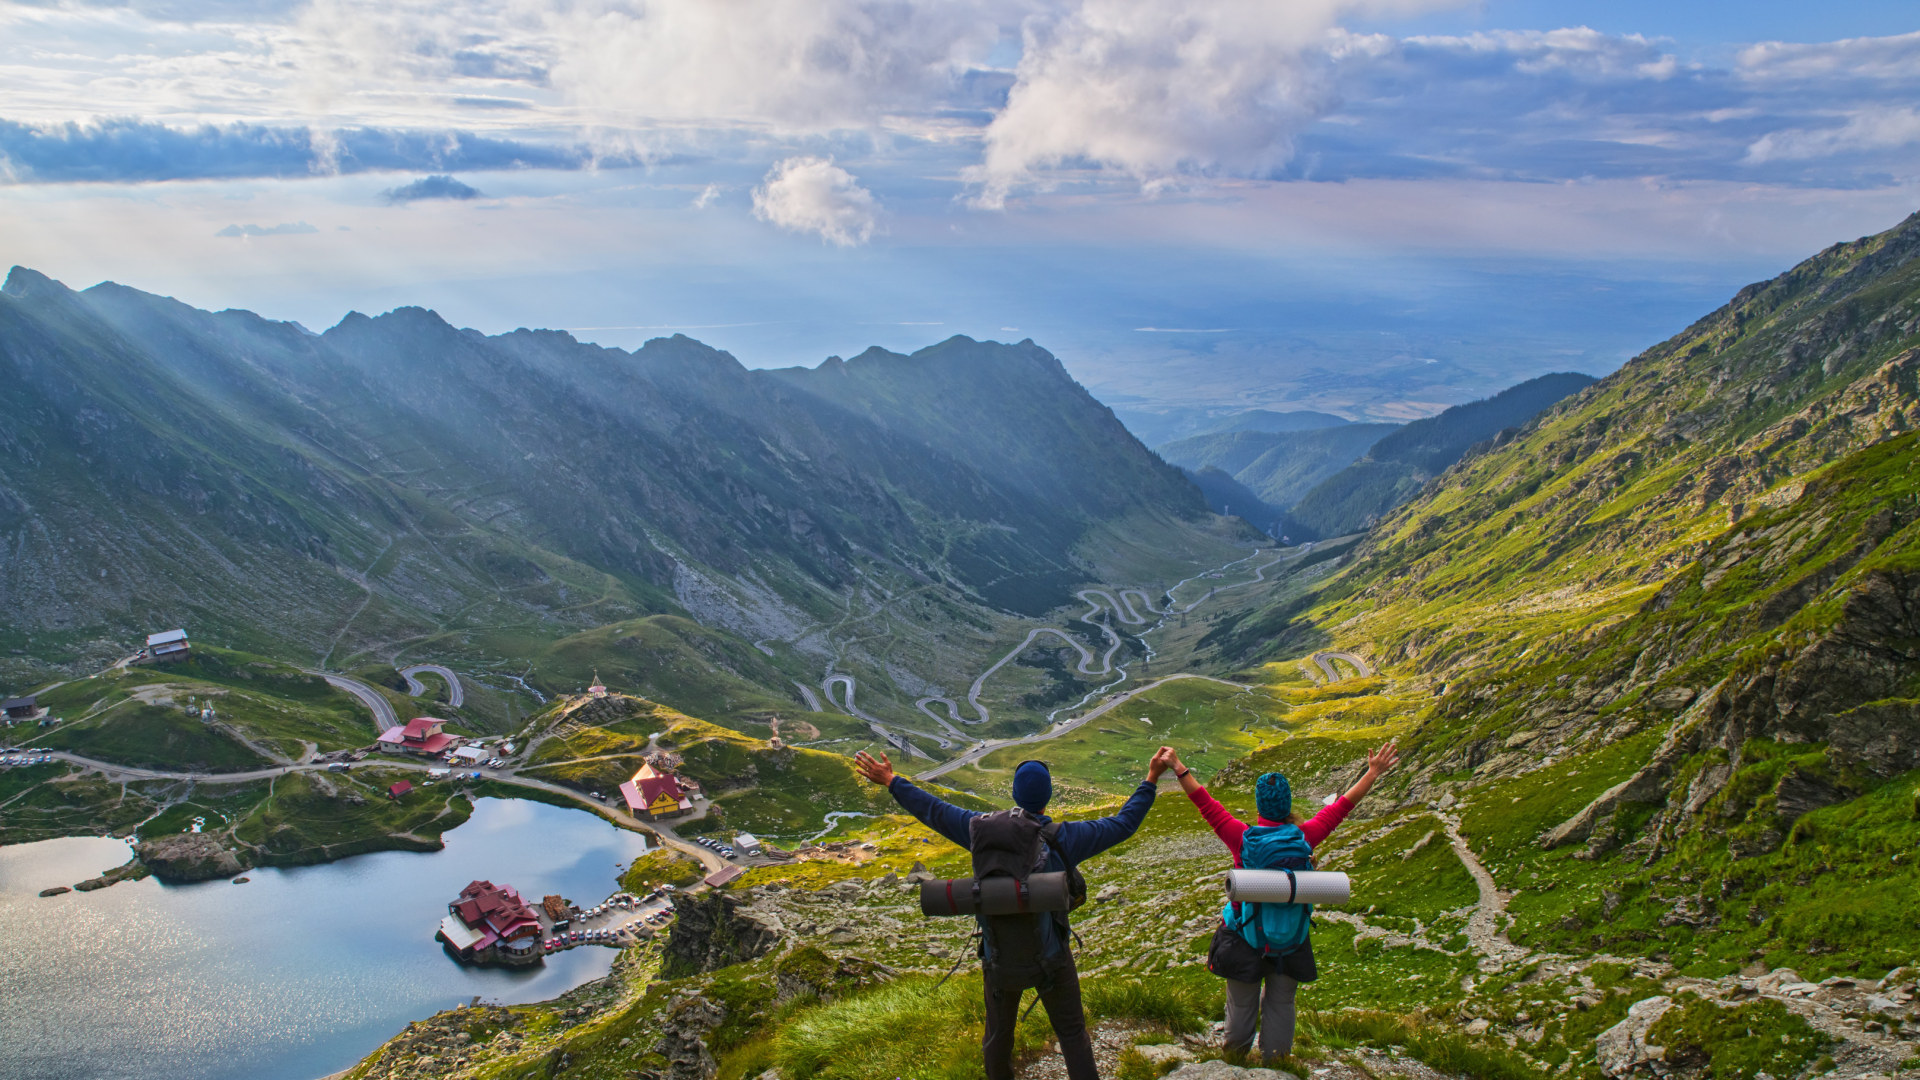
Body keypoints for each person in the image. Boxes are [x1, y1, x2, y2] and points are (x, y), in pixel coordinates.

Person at [853, 747, 1175, 1080]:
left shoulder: (978, 829)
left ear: (1014, 796)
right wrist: (1151, 778)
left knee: (997, 1039)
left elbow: (933, 810)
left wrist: (891, 780)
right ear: (1047, 797)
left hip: (998, 957)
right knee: (1072, 1034)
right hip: (1052, 957)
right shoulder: (1065, 837)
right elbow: (1123, 824)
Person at [1161, 741, 1399, 1063]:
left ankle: (1234, 1063)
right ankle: (1277, 1064)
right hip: (1292, 938)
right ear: (1288, 805)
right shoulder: (1305, 837)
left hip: (1244, 937)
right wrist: (1372, 773)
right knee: (1282, 1003)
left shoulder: (1241, 837)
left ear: (1259, 806)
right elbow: (1341, 808)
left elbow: (1206, 804)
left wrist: (1178, 767)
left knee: (1242, 1006)